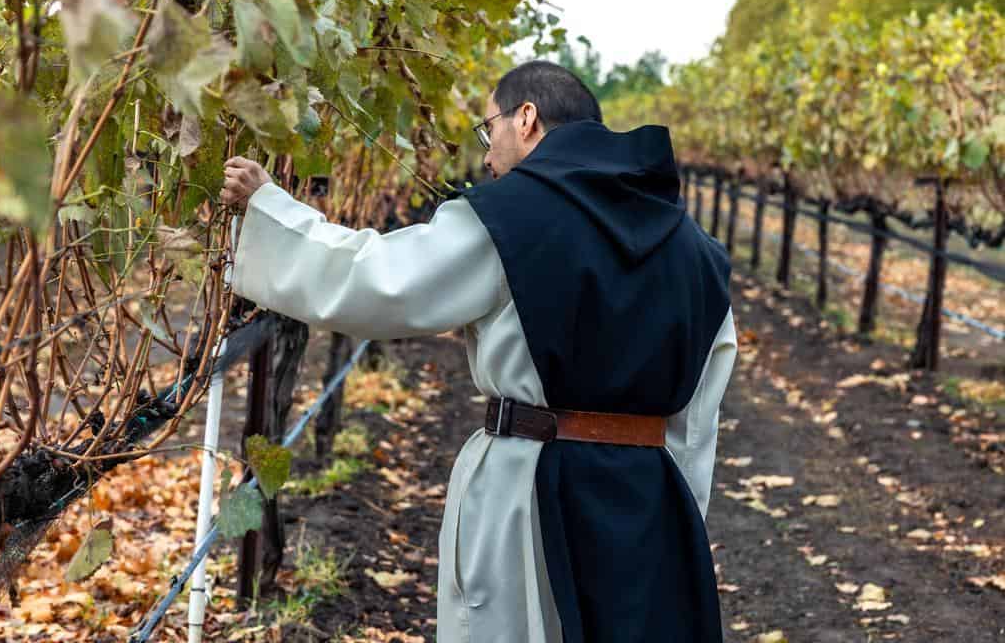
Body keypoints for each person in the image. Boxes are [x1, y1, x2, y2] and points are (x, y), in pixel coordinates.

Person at [221, 60, 737, 643]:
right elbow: (698, 419)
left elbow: (380, 280)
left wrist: (272, 211)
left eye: (488, 128)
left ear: (526, 118)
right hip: (650, 506)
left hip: (524, 494)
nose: (487, 156)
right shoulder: (699, 251)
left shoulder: (511, 218)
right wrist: (676, 517)